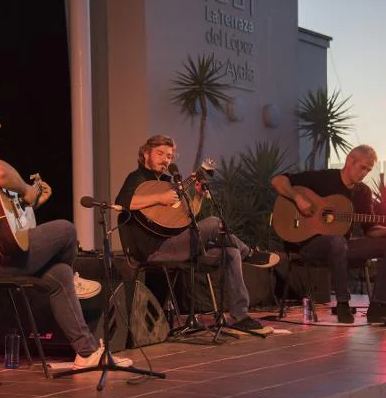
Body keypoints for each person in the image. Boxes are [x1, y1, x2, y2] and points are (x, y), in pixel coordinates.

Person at [0, 95, 131, 369]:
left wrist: (23, 204)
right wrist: (28, 191)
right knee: (65, 230)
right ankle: (76, 279)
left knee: (59, 276)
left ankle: (86, 353)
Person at [115, 135, 282, 335]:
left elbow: (186, 218)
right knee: (214, 223)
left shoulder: (169, 182)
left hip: (176, 244)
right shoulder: (137, 178)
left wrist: (199, 196)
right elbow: (122, 203)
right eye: (160, 153)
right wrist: (160, 197)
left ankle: (240, 316)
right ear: (145, 153)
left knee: (230, 252)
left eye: (169, 156)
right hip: (153, 249)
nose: (165, 160)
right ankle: (250, 253)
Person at [270, 144, 386, 324]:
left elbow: (371, 230)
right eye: (362, 167)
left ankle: (379, 307)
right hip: (309, 246)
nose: (364, 173)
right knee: (337, 241)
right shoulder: (323, 178)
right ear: (350, 161)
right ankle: (342, 303)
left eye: (368, 170)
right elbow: (277, 181)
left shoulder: (362, 192)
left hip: (341, 247)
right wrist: (297, 198)